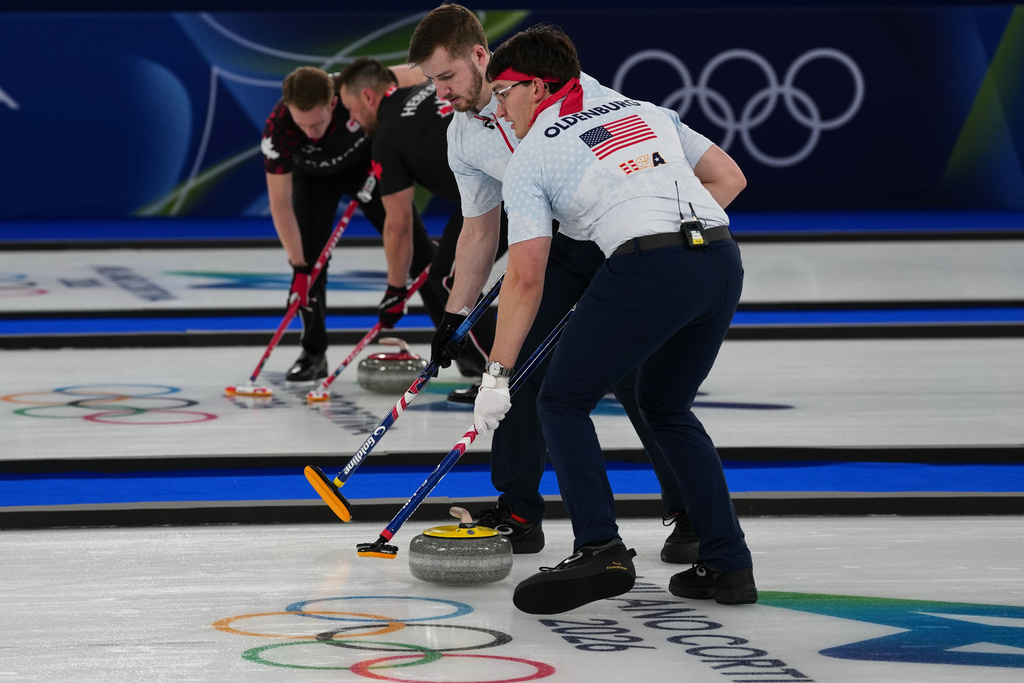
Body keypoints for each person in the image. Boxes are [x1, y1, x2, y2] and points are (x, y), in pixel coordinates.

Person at [408, 3, 708, 562]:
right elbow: (479, 231)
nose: (440, 92)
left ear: (480, 55)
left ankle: (691, 510)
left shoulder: (552, 86)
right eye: (431, 81)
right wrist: (454, 314)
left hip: (618, 236)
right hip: (559, 245)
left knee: (638, 381)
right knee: (513, 358)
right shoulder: (461, 138)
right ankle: (520, 511)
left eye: (446, 77)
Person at [474, 24, 756, 614]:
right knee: (666, 407)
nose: (499, 108)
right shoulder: (647, 111)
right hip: (721, 260)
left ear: (539, 86)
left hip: (648, 269)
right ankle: (728, 565)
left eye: (503, 93)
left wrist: (496, 373)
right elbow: (730, 179)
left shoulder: (534, 154)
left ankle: (599, 545)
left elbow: (526, 276)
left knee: (560, 400)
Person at [261, 65, 445, 382]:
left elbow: (421, 72)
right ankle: (313, 352)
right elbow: (279, 205)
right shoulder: (279, 127)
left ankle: (461, 346)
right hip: (314, 179)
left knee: (418, 253)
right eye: (301, 125)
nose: (310, 133)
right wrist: (299, 266)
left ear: (334, 103)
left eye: (316, 123)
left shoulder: (351, 88)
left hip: (368, 165)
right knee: (309, 263)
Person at [335, 57, 506, 390]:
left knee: (450, 278)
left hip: (499, 190)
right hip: (496, 181)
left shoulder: (385, 139)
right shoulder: (424, 89)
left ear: (369, 97)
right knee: (447, 269)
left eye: (350, 108)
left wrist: (395, 291)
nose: (351, 121)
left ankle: (502, 376)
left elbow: (398, 224)